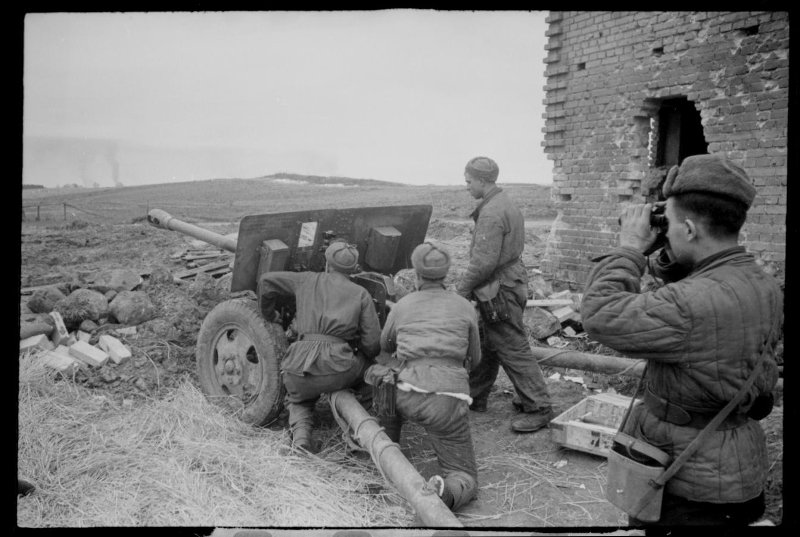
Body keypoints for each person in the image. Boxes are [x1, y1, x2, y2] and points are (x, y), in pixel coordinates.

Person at [581, 154, 782, 527]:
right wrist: (666, 247)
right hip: (733, 464)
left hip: (690, 480)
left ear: (689, 230)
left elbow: (600, 315)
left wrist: (629, 248)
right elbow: (696, 285)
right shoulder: (759, 280)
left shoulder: (691, 303)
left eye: (671, 226)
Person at [364, 241, 481, 512]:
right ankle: (448, 491)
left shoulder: (402, 306)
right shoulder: (465, 307)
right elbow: (475, 359)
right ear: (447, 274)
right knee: (465, 475)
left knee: (387, 375)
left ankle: (389, 443)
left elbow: (385, 347)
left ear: (416, 275)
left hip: (405, 394)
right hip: (445, 401)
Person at [456, 156, 553, 433]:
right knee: (489, 341)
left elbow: (483, 263)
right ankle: (475, 397)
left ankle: (539, 406)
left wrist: (461, 291)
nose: (466, 187)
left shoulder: (491, 213)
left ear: (483, 181)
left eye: (469, 181)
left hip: (499, 289)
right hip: (508, 283)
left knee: (511, 345)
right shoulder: (504, 203)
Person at [258, 241, 381, 453]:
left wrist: (270, 314)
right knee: (371, 374)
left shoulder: (306, 280)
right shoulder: (360, 293)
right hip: (339, 368)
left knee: (298, 398)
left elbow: (266, 281)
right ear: (353, 269)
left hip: (297, 365)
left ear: (327, 264)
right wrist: (362, 357)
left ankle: (301, 438)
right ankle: (360, 433)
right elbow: (372, 343)